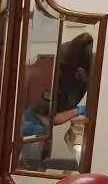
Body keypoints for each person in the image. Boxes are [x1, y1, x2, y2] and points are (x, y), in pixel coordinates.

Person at [20, 32, 94, 166]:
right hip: (34, 125)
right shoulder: (51, 76)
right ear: (81, 72)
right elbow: (51, 118)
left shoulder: (80, 57)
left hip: (43, 124)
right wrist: (78, 111)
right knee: (30, 165)